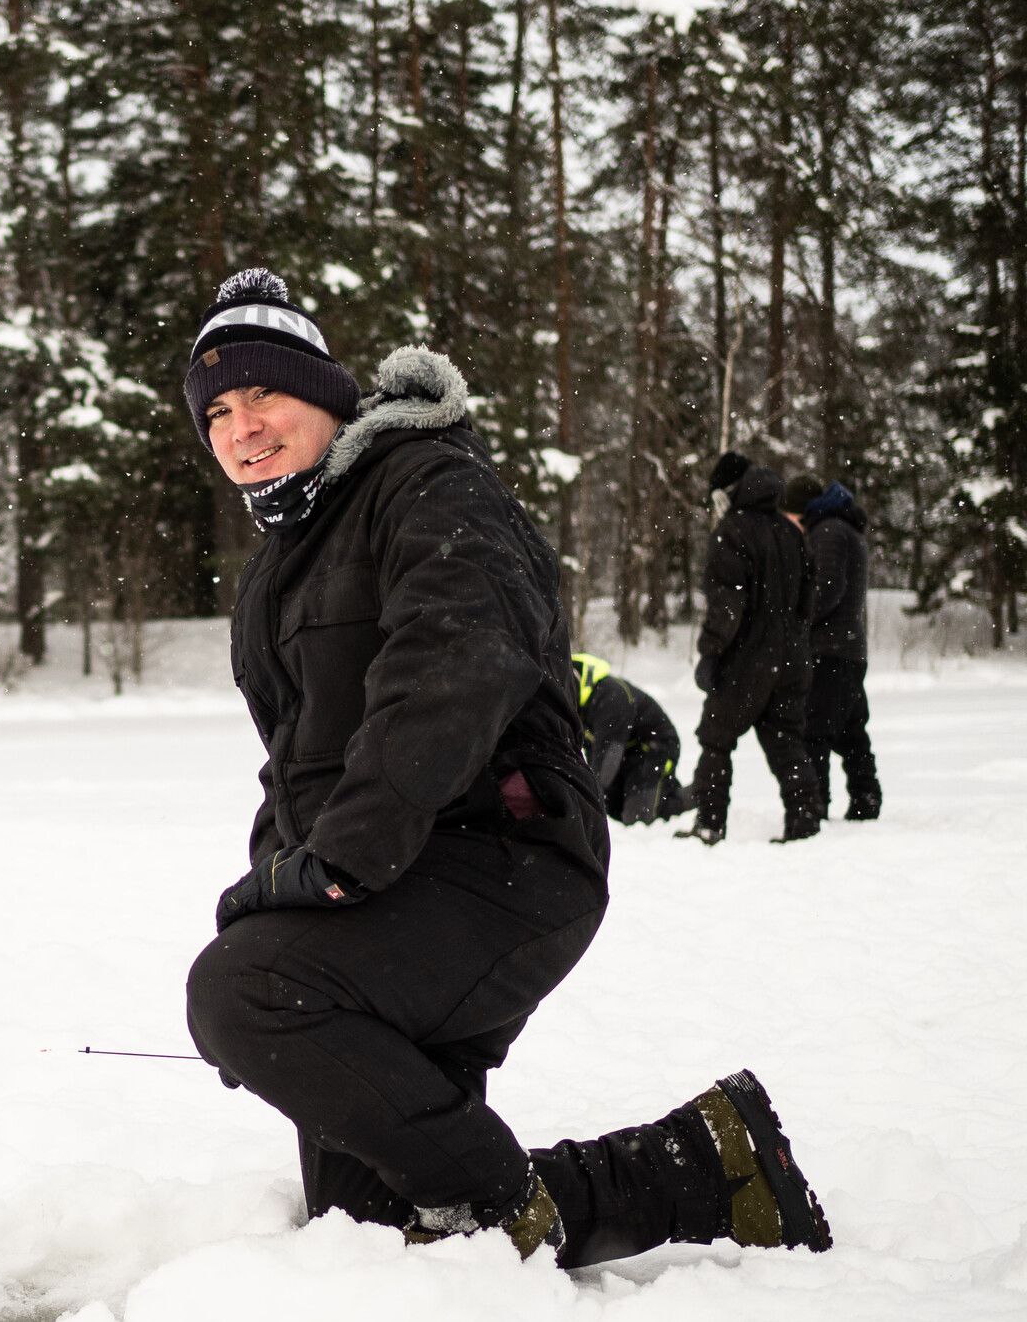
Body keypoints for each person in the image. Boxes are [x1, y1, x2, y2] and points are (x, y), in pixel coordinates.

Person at [180, 269, 831, 1267]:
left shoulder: (425, 482)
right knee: (370, 1220)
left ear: (323, 391)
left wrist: (335, 872)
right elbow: (296, 765)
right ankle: (707, 1166)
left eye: (262, 392)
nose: (241, 425)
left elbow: (455, 658)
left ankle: (503, 1213)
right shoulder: (281, 567)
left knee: (241, 996)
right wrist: (272, 895)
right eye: (217, 410)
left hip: (502, 860)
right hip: (394, 881)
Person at [678, 452, 821, 845]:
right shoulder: (793, 533)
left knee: (716, 739)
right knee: (786, 741)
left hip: (746, 661)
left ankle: (709, 822)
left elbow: (727, 603)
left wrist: (711, 652)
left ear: (730, 490)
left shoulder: (733, 532)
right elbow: (808, 601)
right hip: (791, 659)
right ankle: (805, 819)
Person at [781, 476, 881, 821]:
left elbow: (827, 587)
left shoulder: (827, 532)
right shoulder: (843, 528)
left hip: (829, 649)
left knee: (814, 729)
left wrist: (798, 619)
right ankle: (866, 797)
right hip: (849, 649)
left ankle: (816, 803)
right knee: (851, 729)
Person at [571, 652, 692, 824]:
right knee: (612, 810)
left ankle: (699, 795)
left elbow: (608, 757)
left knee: (636, 820)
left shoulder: (609, 696)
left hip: (655, 747)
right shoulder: (577, 702)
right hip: (626, 752)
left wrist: (585, 800)